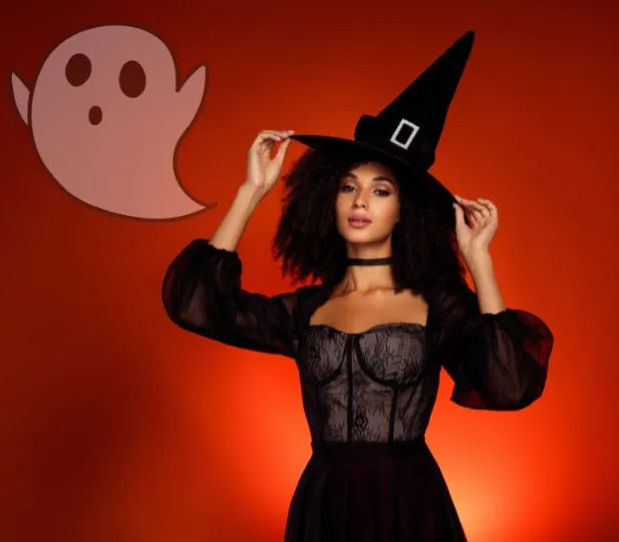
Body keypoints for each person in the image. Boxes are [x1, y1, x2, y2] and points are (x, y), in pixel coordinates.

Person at [161, 31, 553, 542]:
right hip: (323, 509)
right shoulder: (306, 310)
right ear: (329, 198)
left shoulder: (437, 306)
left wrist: (479, 263)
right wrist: (250, 191)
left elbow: (508, 385)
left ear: (404, 211)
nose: (360, 200)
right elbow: (195, 305)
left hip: (410, 509)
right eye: (349, 186)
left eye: (380, 190)